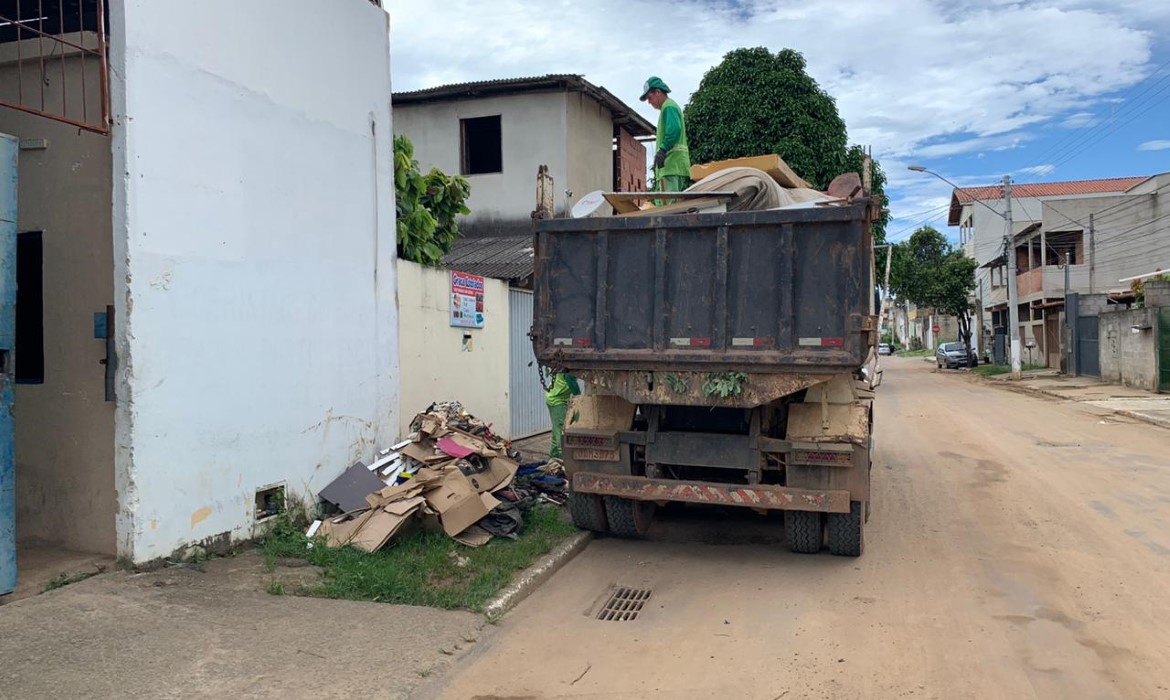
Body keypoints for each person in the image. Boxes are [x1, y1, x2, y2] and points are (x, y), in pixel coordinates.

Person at [639, 76, 691, 197]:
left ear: (658, 92)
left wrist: (662, 150)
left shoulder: (668, 106)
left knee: (668, 205)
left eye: (649, 98)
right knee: (672, 205)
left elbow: (674, 129)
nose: (649, 102)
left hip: (671, 166)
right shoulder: (669, 107)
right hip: (674, 166)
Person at [545, 371, 580, 461]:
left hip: (554, 397)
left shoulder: (564, 367)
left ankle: (554, 455)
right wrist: (581, 399)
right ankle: (563, 457)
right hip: (557, 400)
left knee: (556, 428)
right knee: (561, 430)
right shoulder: (569, 371)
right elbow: (573, 386)